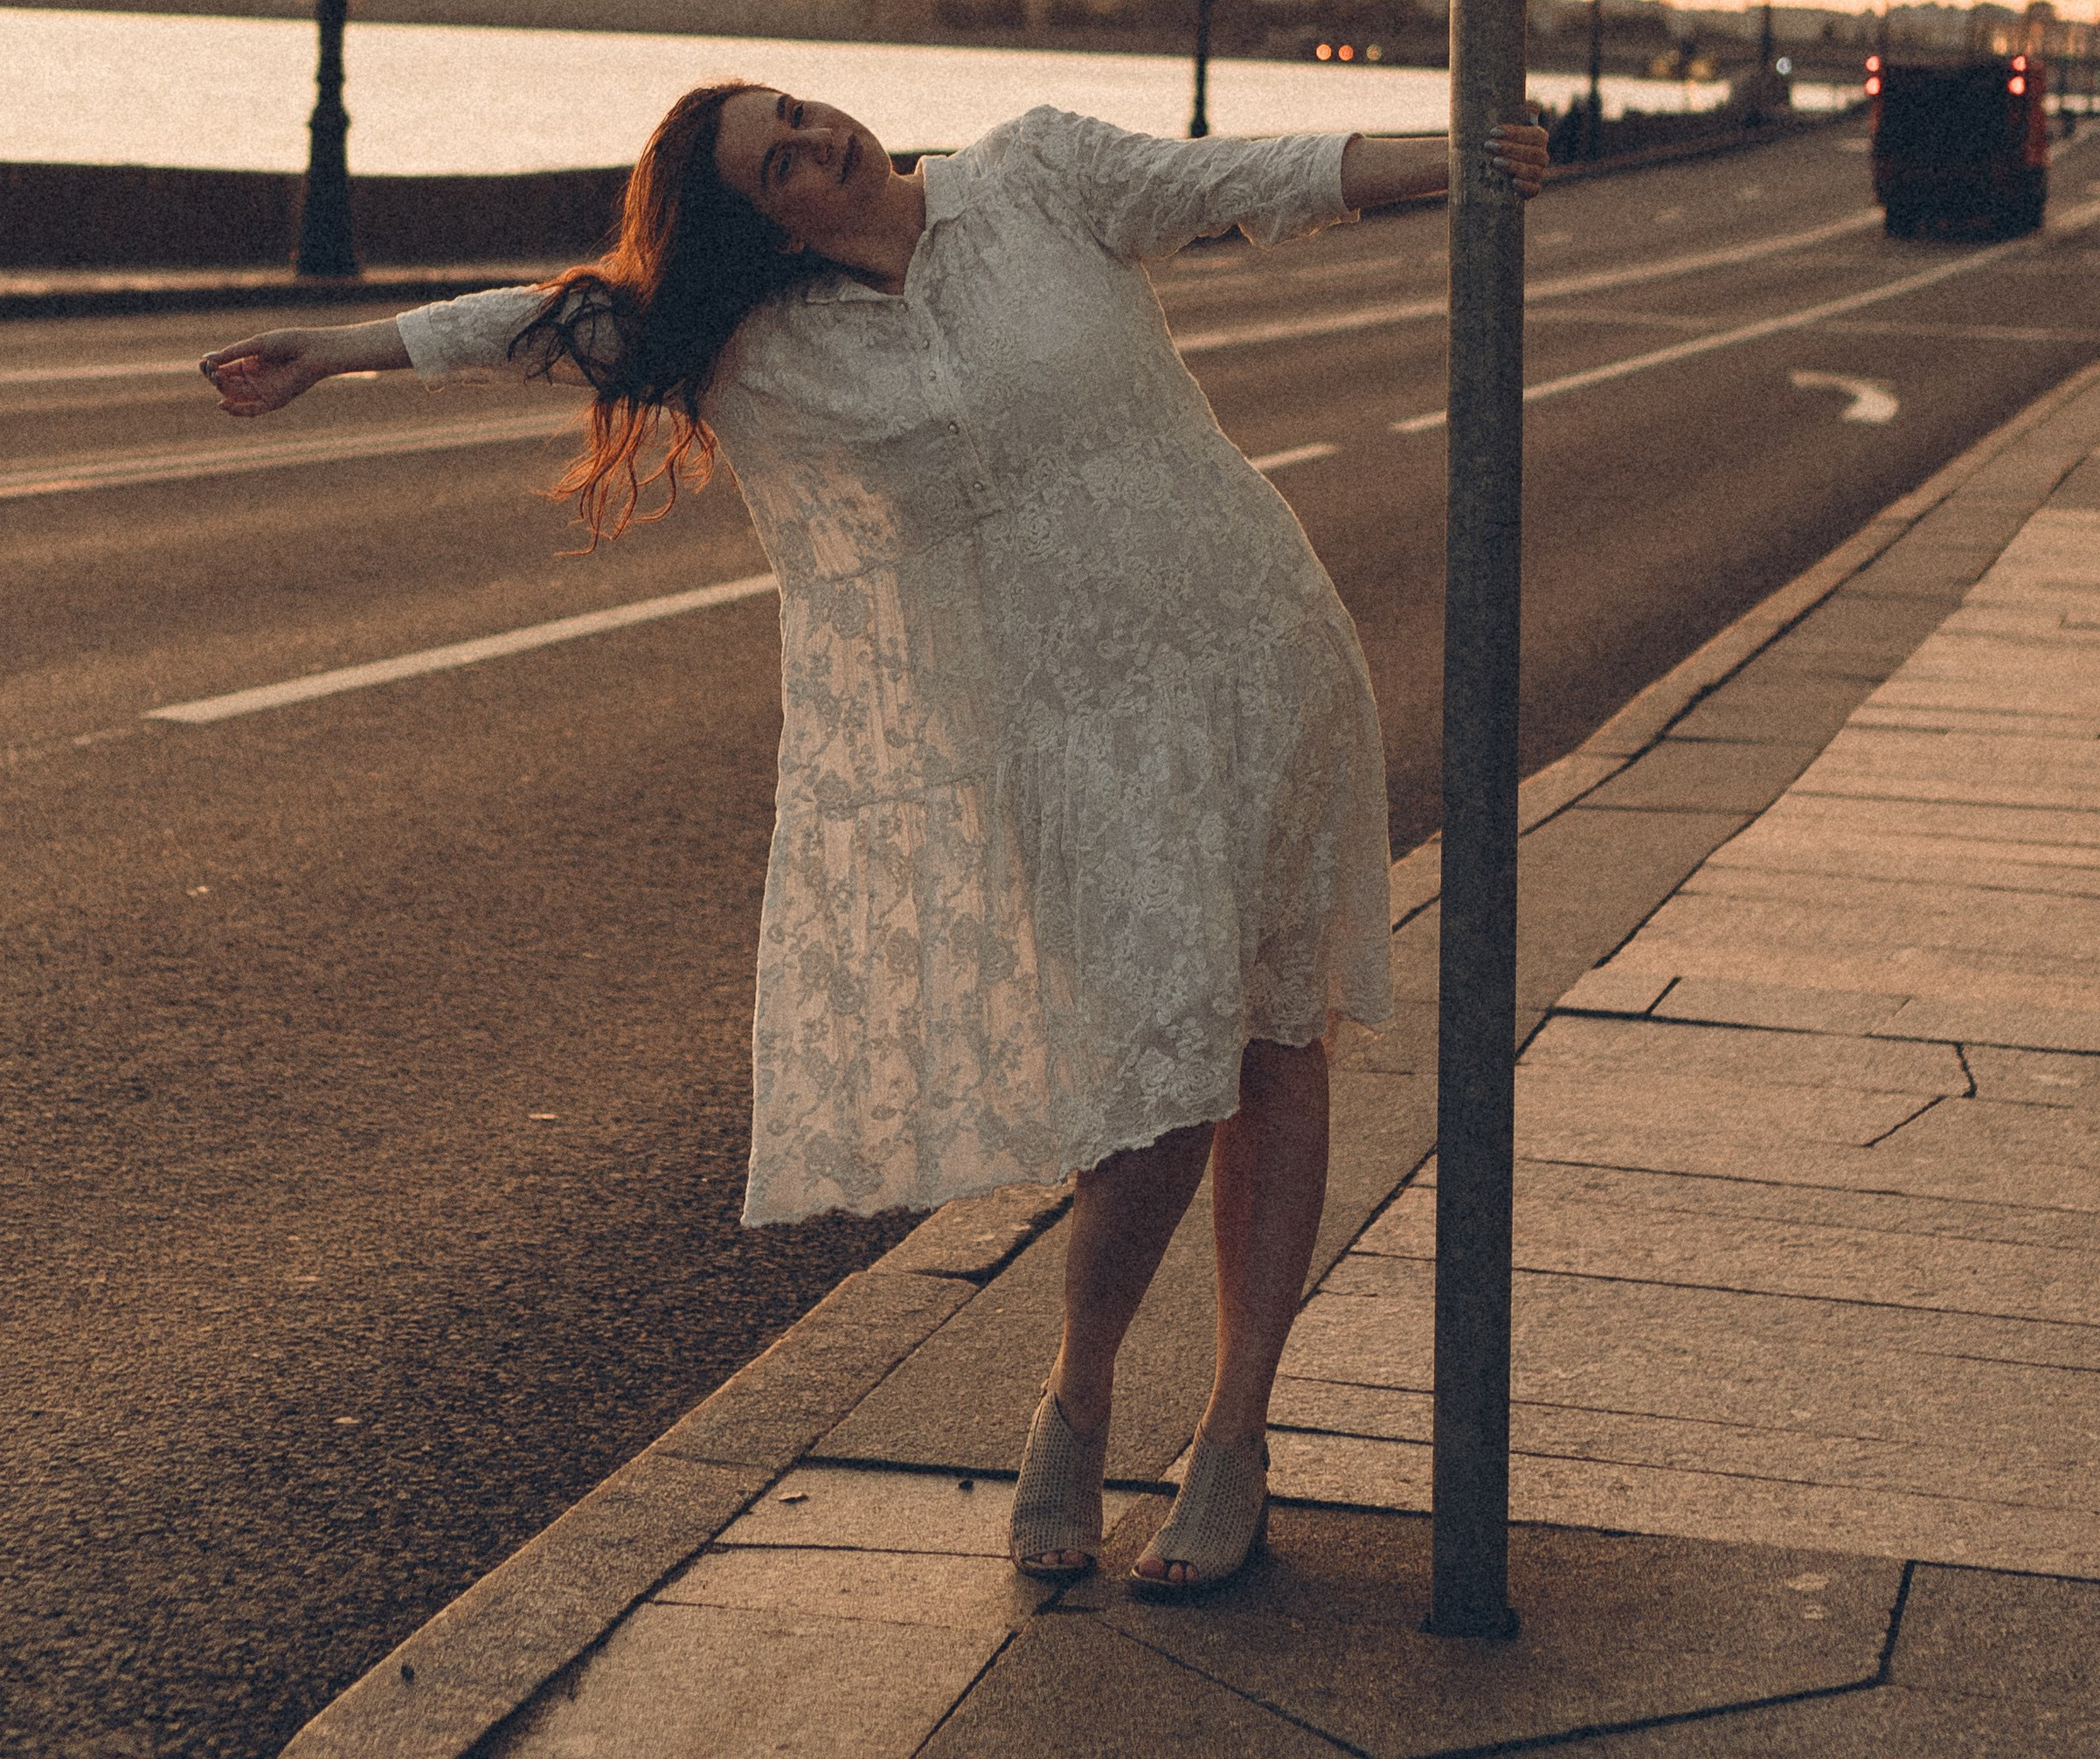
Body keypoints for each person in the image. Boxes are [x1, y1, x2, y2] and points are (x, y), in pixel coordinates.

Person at [203, 88, 1548, 1596]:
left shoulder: (1039, 175)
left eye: (797, 113)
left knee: (1276, 1046)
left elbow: (1250, 174)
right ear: (759, 224)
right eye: (774, 164)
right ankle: (1082, 1389)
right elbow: (549, 323)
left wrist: (1460, 158)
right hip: (1054, 737)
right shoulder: (753, 344)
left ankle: (1236, 1431)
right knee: (1154, 1078)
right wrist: (338, 352)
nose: (812, 143)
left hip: (1249, 653)